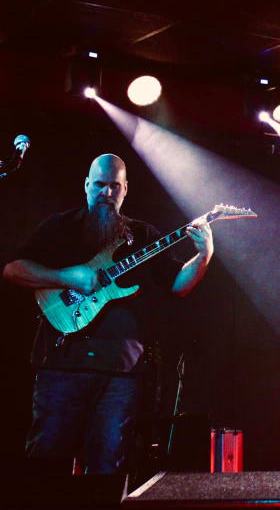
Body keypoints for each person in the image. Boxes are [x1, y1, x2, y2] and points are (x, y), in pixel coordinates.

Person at [2, 154, 214, 474]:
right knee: (46, 463)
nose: (107, 192)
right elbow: (13, 270)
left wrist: (204, 255)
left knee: (108, 469)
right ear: (87, 185)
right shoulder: (61, 226)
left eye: (115, 186)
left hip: (120, 372)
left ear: (125, 189)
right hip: (62, 366)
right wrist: (64, 277)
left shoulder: (142, 235)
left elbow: (179, 285)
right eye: (100, 185)